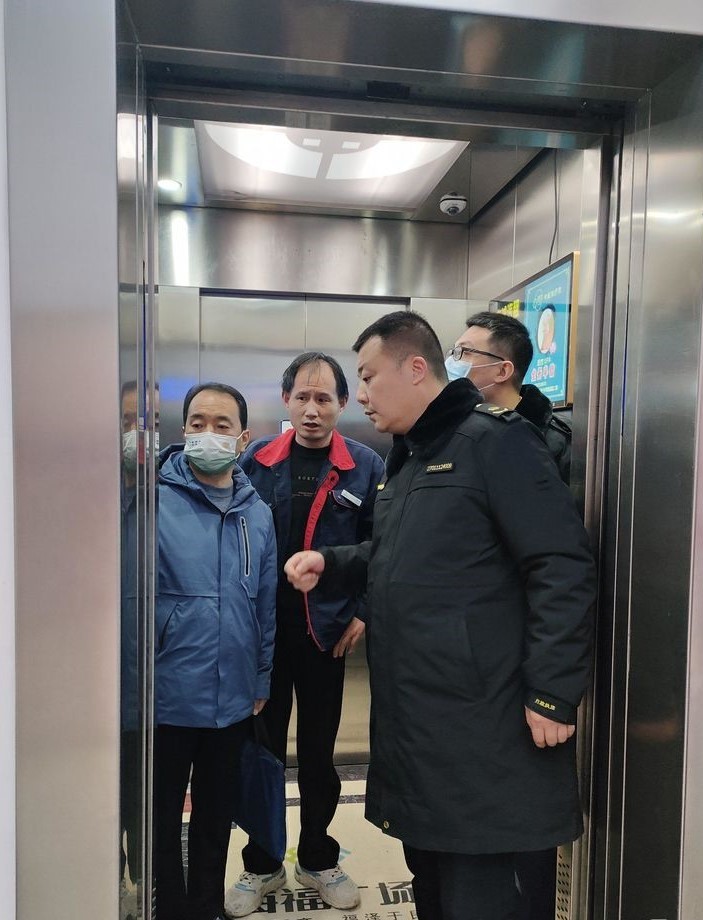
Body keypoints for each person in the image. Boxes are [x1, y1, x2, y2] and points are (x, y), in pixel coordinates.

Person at [284, 312, 596, 920]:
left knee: (484, 890)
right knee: (434, 883)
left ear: (415, 368)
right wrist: (333, 561)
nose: (361, 394)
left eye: (368, 376)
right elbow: (403, 552)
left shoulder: (494, 442)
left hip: (485, 723)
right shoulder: (410, 457)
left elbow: (560, 564)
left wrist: (553, 692)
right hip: (420, 722)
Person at [225, 352, 384, 917]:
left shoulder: (365, 465)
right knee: (263, 752)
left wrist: (364, 610)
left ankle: (317, 855)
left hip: (327, 634)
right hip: (263, 638)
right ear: (286, 400)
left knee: (318, 753)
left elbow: (384, 546)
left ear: (342, 403)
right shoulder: (256, 460)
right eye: (302, 397)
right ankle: (262, 862)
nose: (312, 410)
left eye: (324, 398)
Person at [154, 382, 277, 920]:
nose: (208, 433)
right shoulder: (151, 500)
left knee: (215, 814)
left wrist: (260, 678)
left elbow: (265, 605)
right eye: (198, 423)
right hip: (165, 694)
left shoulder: (258, 513)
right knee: (160, 818)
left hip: (232, 697)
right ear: (183, 431)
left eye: (222, 425)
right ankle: (169, 908)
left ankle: (206, 906)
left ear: (243, 438)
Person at [446, 310, 571, 482]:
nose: (452, 362)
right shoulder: (450, 431)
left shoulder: (555, 443)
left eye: (465, 351)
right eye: (454, 352)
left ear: (503, 371)